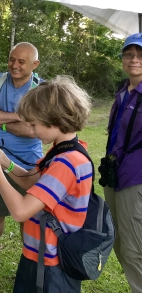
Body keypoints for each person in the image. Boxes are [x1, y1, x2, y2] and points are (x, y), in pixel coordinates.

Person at [0, 75, 92, 292]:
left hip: (52, 263)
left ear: (54, 120)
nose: (32, 131)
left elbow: (20, 212)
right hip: (38, 254)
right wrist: (6, 163)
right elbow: (32, 182)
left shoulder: (67, 162)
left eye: (34, 124)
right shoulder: (61, 151)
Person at [0, 42, 43, 278]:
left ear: (35, 65)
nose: (14, 65)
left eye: (21, 61)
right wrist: (17, 117)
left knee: (28, 215)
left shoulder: (40, 89)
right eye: (12, 59)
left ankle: (30, 264)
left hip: (29, 162)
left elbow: (33, 131)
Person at [102, 33, 142, 293]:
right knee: (114, 237)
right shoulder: (123, 90)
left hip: (135, 177)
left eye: (140, 55)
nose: (134, 59)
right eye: (129, 54)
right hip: (114, 173)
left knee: (133, 247)